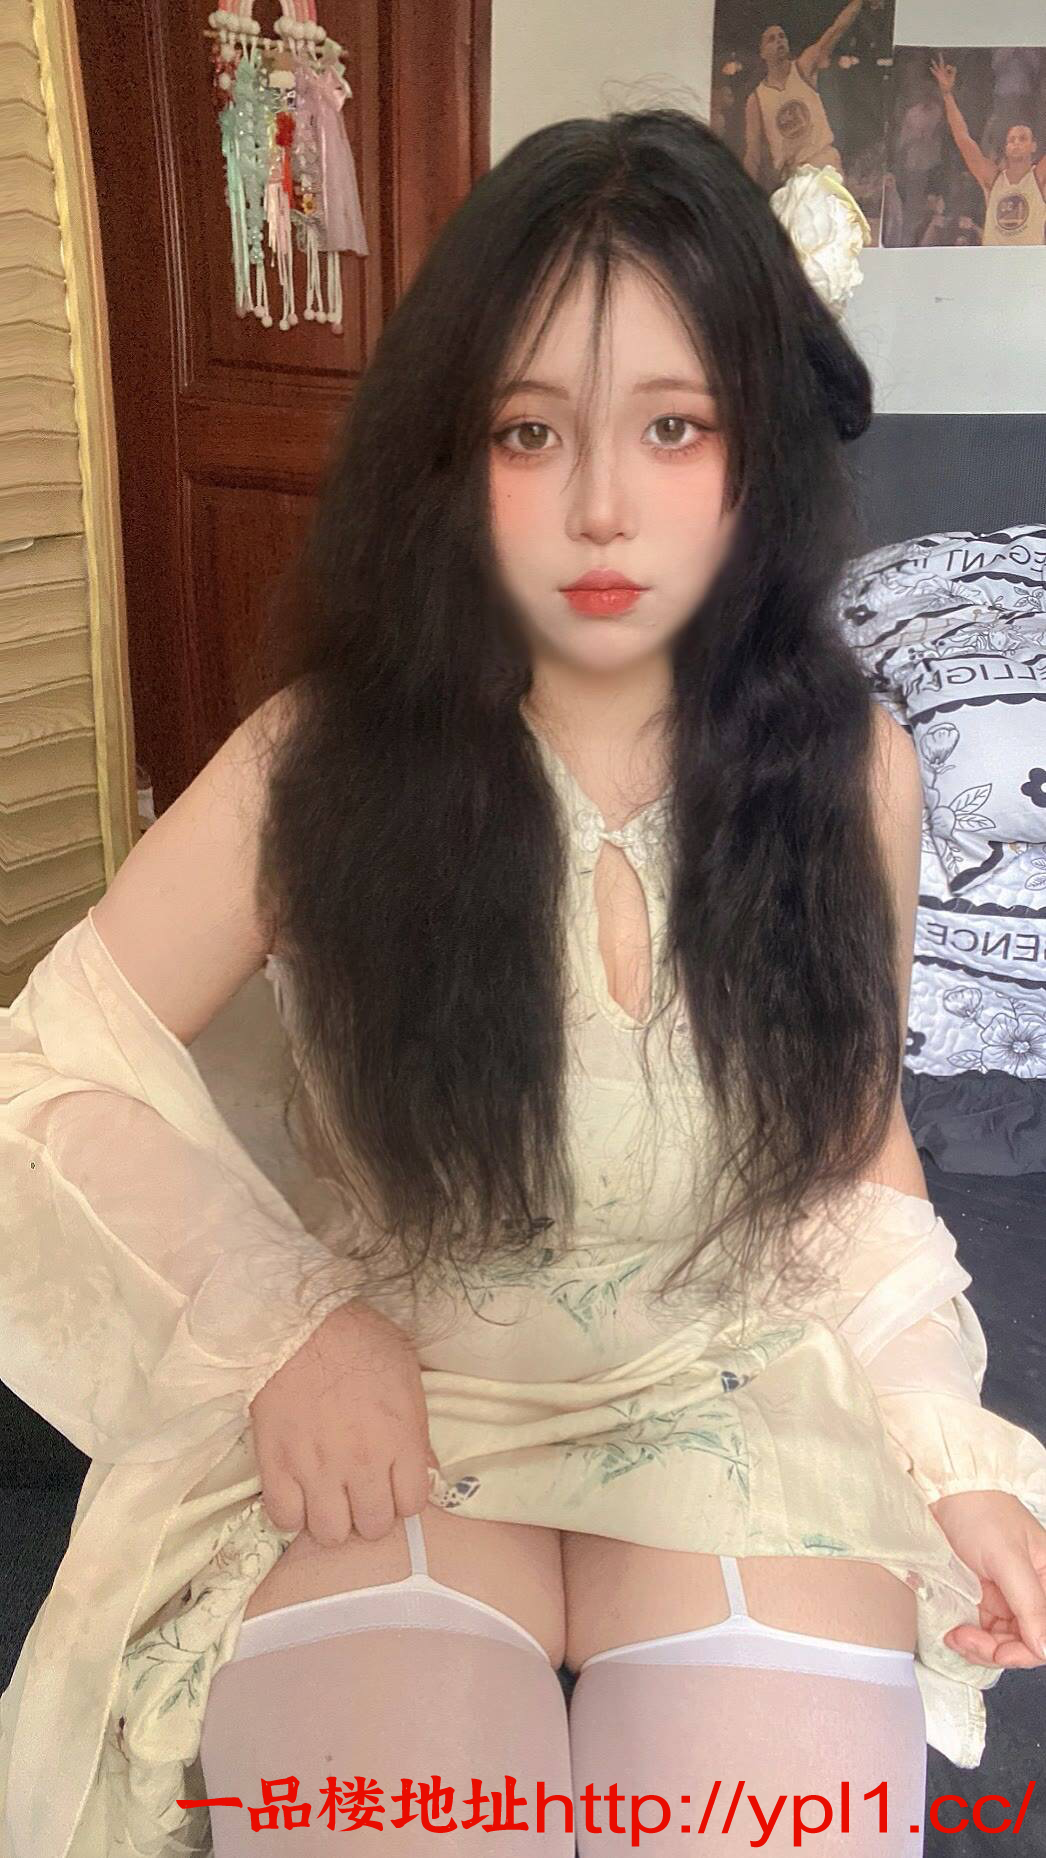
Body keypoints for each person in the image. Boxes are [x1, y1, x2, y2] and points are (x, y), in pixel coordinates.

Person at [2, 108, 1045, 1858]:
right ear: (449, 452)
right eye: (530, 428)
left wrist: (941, 1431)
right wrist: (288, 1323)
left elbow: (850, 1151)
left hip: (731, 1385)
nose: (598, 506)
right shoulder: (317, 764)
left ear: (757, 449)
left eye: (671, 425)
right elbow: (45, 1071)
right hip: (401, 1406)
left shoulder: (850, 765)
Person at [931, 54, 1046, 247]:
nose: (1016, 143)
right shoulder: (994, 179)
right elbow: (963, 139)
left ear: (1033, 146)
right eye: (1011, 139)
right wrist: (947, 94)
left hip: (1028, 261)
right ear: (1006, 148)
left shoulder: (1039, 178)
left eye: (1022, 138)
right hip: (993, 260)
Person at [744, 3, 865, 185]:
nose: (779, 41)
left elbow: (837, 29)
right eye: (771, 39)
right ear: (762, 52)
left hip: (823, 163)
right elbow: (753, 155)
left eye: (782, 36)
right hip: (793, 177)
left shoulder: (803, 67)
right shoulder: (757, 99)